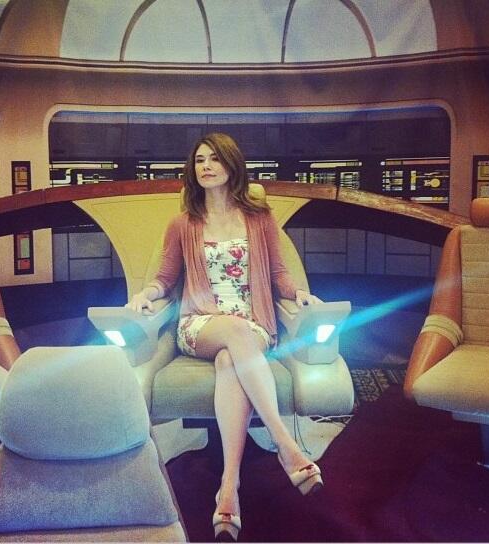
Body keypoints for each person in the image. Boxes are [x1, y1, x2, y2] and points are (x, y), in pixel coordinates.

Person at [126, 132, 323, 541]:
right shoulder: (182, 223)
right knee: (232, 331)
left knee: (231, 358)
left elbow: (279, 273)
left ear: (232, 166)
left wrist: (298, 294)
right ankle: (285, 444)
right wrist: (146, 294)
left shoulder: (260, 218)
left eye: (214, 159)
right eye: (200, 160)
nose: (206, 166)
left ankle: (228, 485)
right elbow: (165, 277)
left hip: (253, 326)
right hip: (200, 325)